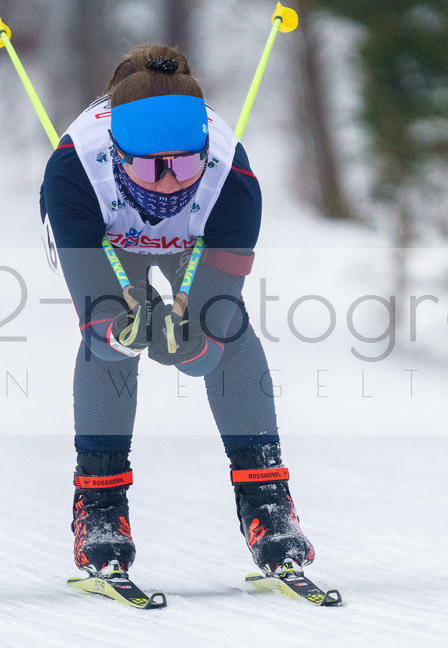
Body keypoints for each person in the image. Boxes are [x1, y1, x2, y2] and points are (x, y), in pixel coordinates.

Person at [40, 45, 314, 578]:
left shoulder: (231, 178)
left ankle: (268, 505)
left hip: (200, 235)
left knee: (226, 337)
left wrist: (194, 345)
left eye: (186, 162)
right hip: (106, 233)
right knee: (114, 346)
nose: (170, 182)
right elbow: (98, 329)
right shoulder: (73, 171)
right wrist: (120, 330)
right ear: (118, 153)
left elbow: (209, 339)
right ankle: (99, 512)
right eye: (150, 166)